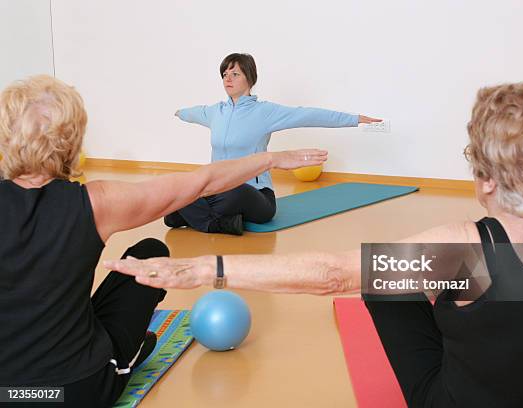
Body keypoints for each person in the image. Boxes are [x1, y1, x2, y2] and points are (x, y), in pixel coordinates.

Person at [107, 82, 523, 407]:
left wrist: (200, 272)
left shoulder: (462, 252)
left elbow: (332, 274)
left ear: (484, 178)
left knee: (386, 280)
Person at [0, 75, 326, 407]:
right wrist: (271, 159)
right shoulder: (95, 203)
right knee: (150, 253)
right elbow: (201, 183)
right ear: (71, 141)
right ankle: (128, 354)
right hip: (80, 390)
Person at [165, 53, 382, 235]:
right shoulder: (214, 112)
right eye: (224, 74)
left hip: (254, 193)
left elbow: (308, 115)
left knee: (217, 197)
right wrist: (178, 112)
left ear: (250, 78)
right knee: (177, 202)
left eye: (235, 74)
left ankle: (202, 218)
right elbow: (191, 113)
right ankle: (219, 222)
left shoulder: (265, 112)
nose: (227, 79)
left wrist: (355, 119)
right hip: (216, 189)